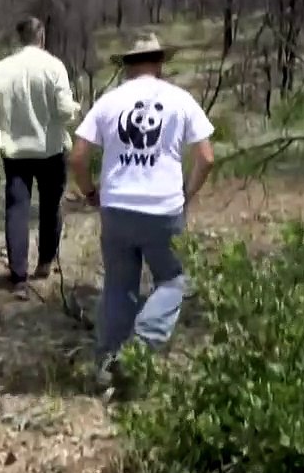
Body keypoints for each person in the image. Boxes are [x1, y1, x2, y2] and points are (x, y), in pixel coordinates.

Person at [68, 33, 215, 388]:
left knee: (119, 287)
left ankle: (107, 367)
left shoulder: (109, 101)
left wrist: (90, 192)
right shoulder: (180, 99)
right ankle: (141, 345)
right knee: (172, 280)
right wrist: (186, 194)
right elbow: (207, 157)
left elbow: (78, 156)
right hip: (163, 208)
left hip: (117, 206)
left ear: (126, 66)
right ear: (160, 62)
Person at [0, 17, 80, 299]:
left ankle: (18, 275)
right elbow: (64, 111)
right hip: (50, 148)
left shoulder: (0, 69)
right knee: (50, 206)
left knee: (17, 208)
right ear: (42, 37)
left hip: (15, 150)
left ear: (19, 37)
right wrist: (76, 109)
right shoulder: (54, 67)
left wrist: (0, 132)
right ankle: (45, 261)